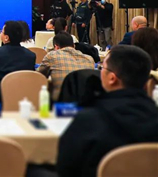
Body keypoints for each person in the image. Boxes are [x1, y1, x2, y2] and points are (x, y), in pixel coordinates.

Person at [57, 45, 158, 177]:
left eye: (102, 68)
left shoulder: (88, 120)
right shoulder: (156, 116)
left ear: (111, 78)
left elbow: (65, 169)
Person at [0, 21, 36, 103]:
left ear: (6, 38)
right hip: (24, 99)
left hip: (1, 98)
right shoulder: (31, 56)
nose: (0, 33)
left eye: (2, 32)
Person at [38, 32, 95, 101]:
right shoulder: (89, 59)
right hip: (87, 102)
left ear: (56, 47)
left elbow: (39, 76)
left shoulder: (52, 55)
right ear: (74, 46)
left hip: (62, 102)